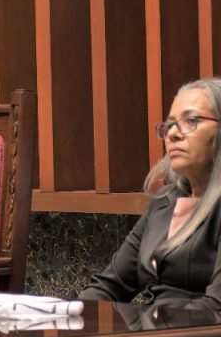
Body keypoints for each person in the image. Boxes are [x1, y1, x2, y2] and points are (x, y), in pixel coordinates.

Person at [81, 78, 221, 310]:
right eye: (170, 125)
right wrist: (67, 317)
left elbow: (216, 307)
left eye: (191, 120)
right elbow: (108, 286)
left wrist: (143, 329)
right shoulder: (164, 202)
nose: (173, 134)